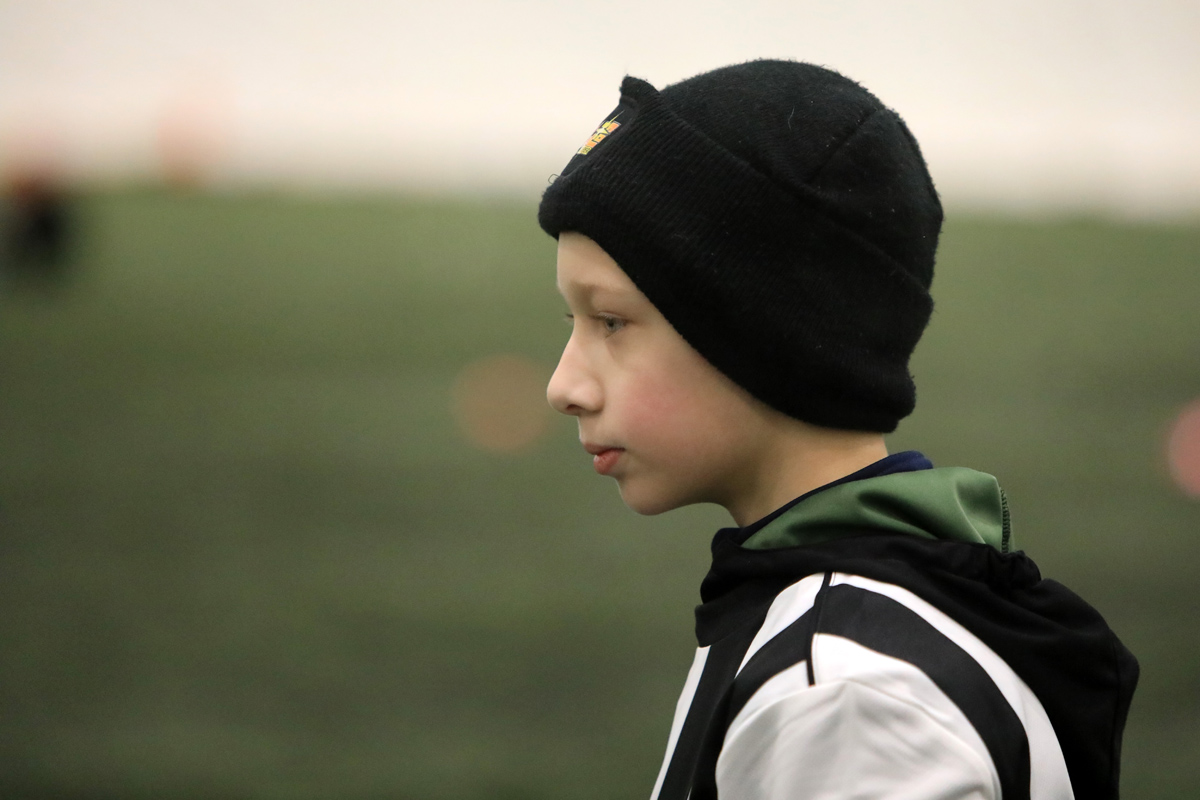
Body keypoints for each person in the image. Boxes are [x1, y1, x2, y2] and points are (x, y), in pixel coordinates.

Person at [539, 60, 1138, 800]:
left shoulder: (843, 698)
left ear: (767, 332)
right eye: (573, 321)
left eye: (611, 322)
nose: (563, 387)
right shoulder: (844, 616)